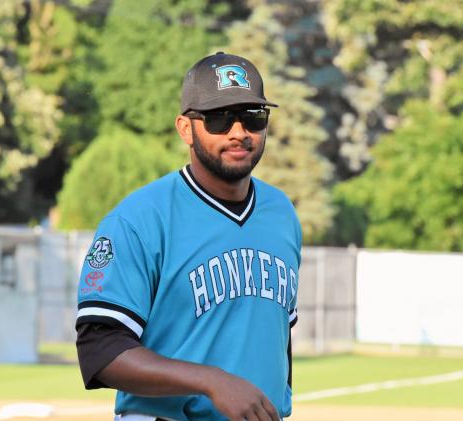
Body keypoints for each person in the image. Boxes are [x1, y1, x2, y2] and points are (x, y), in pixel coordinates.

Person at [76, 52, 301, 421]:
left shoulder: (281, 214)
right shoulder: (140, 218)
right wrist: (211, 381)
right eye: (219, 118)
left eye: (252, 117)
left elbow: (278, 335)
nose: (238, 132)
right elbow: (100, 349)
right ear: (185, 128)